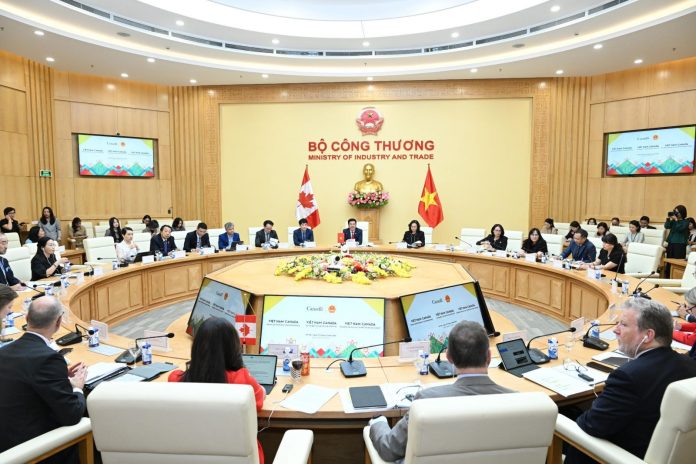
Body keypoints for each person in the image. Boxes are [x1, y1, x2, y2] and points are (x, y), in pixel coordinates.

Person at [565, 298, 696, 464]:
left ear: (648, 335)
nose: (616, 330)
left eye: (623, 325)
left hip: (621, 455)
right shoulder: (690, 365)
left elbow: (592, 426)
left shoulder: (628, 377)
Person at [368, 321, 514, 462]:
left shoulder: (427, 400)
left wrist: (378, 422)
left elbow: (389, 449)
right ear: (489, 356)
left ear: (449, 357)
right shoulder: (517, 400)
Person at [0, 296, 87, 463]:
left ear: (26, 318)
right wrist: (77, 387)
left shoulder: (4, 351)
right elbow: (72, 414)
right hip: (33, 449)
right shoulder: (49, 358)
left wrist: (59, 378)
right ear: (58, 322)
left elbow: (26, 381)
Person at [168, 317, 266, 463]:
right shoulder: (242, 380)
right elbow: (260, 398)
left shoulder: (175, 380)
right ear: (233, 348)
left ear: (197, 347)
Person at [664, 205, 689, 276]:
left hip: (680, 243)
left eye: (677, 212)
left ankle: (676, 276)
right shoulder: (674, 221)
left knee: (677, 261)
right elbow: (667, 226)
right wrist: (668, 219)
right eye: (674, 211)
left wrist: (676, 220)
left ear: (682, 212)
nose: (675, 213)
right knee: (669, 259)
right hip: (671, 242)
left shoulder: (686, 221)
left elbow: (680, 229)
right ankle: (667, 275)